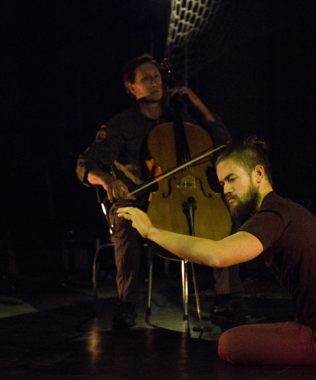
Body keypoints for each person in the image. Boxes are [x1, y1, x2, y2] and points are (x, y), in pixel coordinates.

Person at [117, 136, 316, 365]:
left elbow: (218, 255)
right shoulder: (283, 210)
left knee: (229, 343)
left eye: (231, 179)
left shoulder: (272, 216)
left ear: (258, 174)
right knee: (275, 327)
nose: (225, 190)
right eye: (221, 183)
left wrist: (151, 231)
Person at [76, 53, 244, 330]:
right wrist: (108, 181)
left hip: (186, 195)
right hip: (140, 199)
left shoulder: (182, 116)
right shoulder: (119, 125)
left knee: (226, 219)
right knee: (126, 220)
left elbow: (223, 141)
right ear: (131, 88)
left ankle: (225, 300)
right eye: (146, 79)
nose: (156, 83)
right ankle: (127, 303)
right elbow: (85, 165)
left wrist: (195, 101)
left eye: (157, 77)